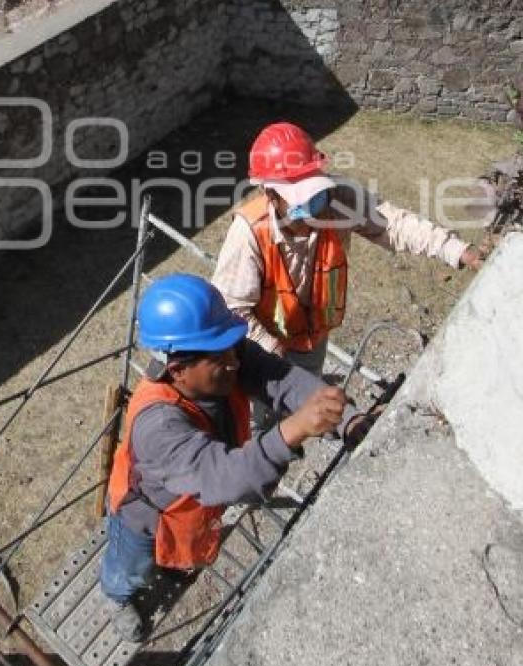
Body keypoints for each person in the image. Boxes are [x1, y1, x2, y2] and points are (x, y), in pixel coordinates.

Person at [99, 274, 367, 643]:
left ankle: (169, 565)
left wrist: (348, 418)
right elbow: (226, 478)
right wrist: (293, 429)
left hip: (189, 501)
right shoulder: (157, 426)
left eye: (232, 347)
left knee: (178, 548)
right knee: (130, 566)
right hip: (143, 515)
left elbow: (281, 378)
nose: (235, 362)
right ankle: (117, 598)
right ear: (177, 369)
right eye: (220, 355)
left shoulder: (222, 359)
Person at [213, 121, 483, 376]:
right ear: (270, 194)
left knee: (310, 402)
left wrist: (458, 250)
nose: (314, 203)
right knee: (263, 416)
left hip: (313, 338)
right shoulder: (249, 233)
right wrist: (273, 349)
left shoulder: (337, 198)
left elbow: (393, 225)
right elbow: (231, 309)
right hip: (263, 348)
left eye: (314, 190)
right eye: (302, 197)